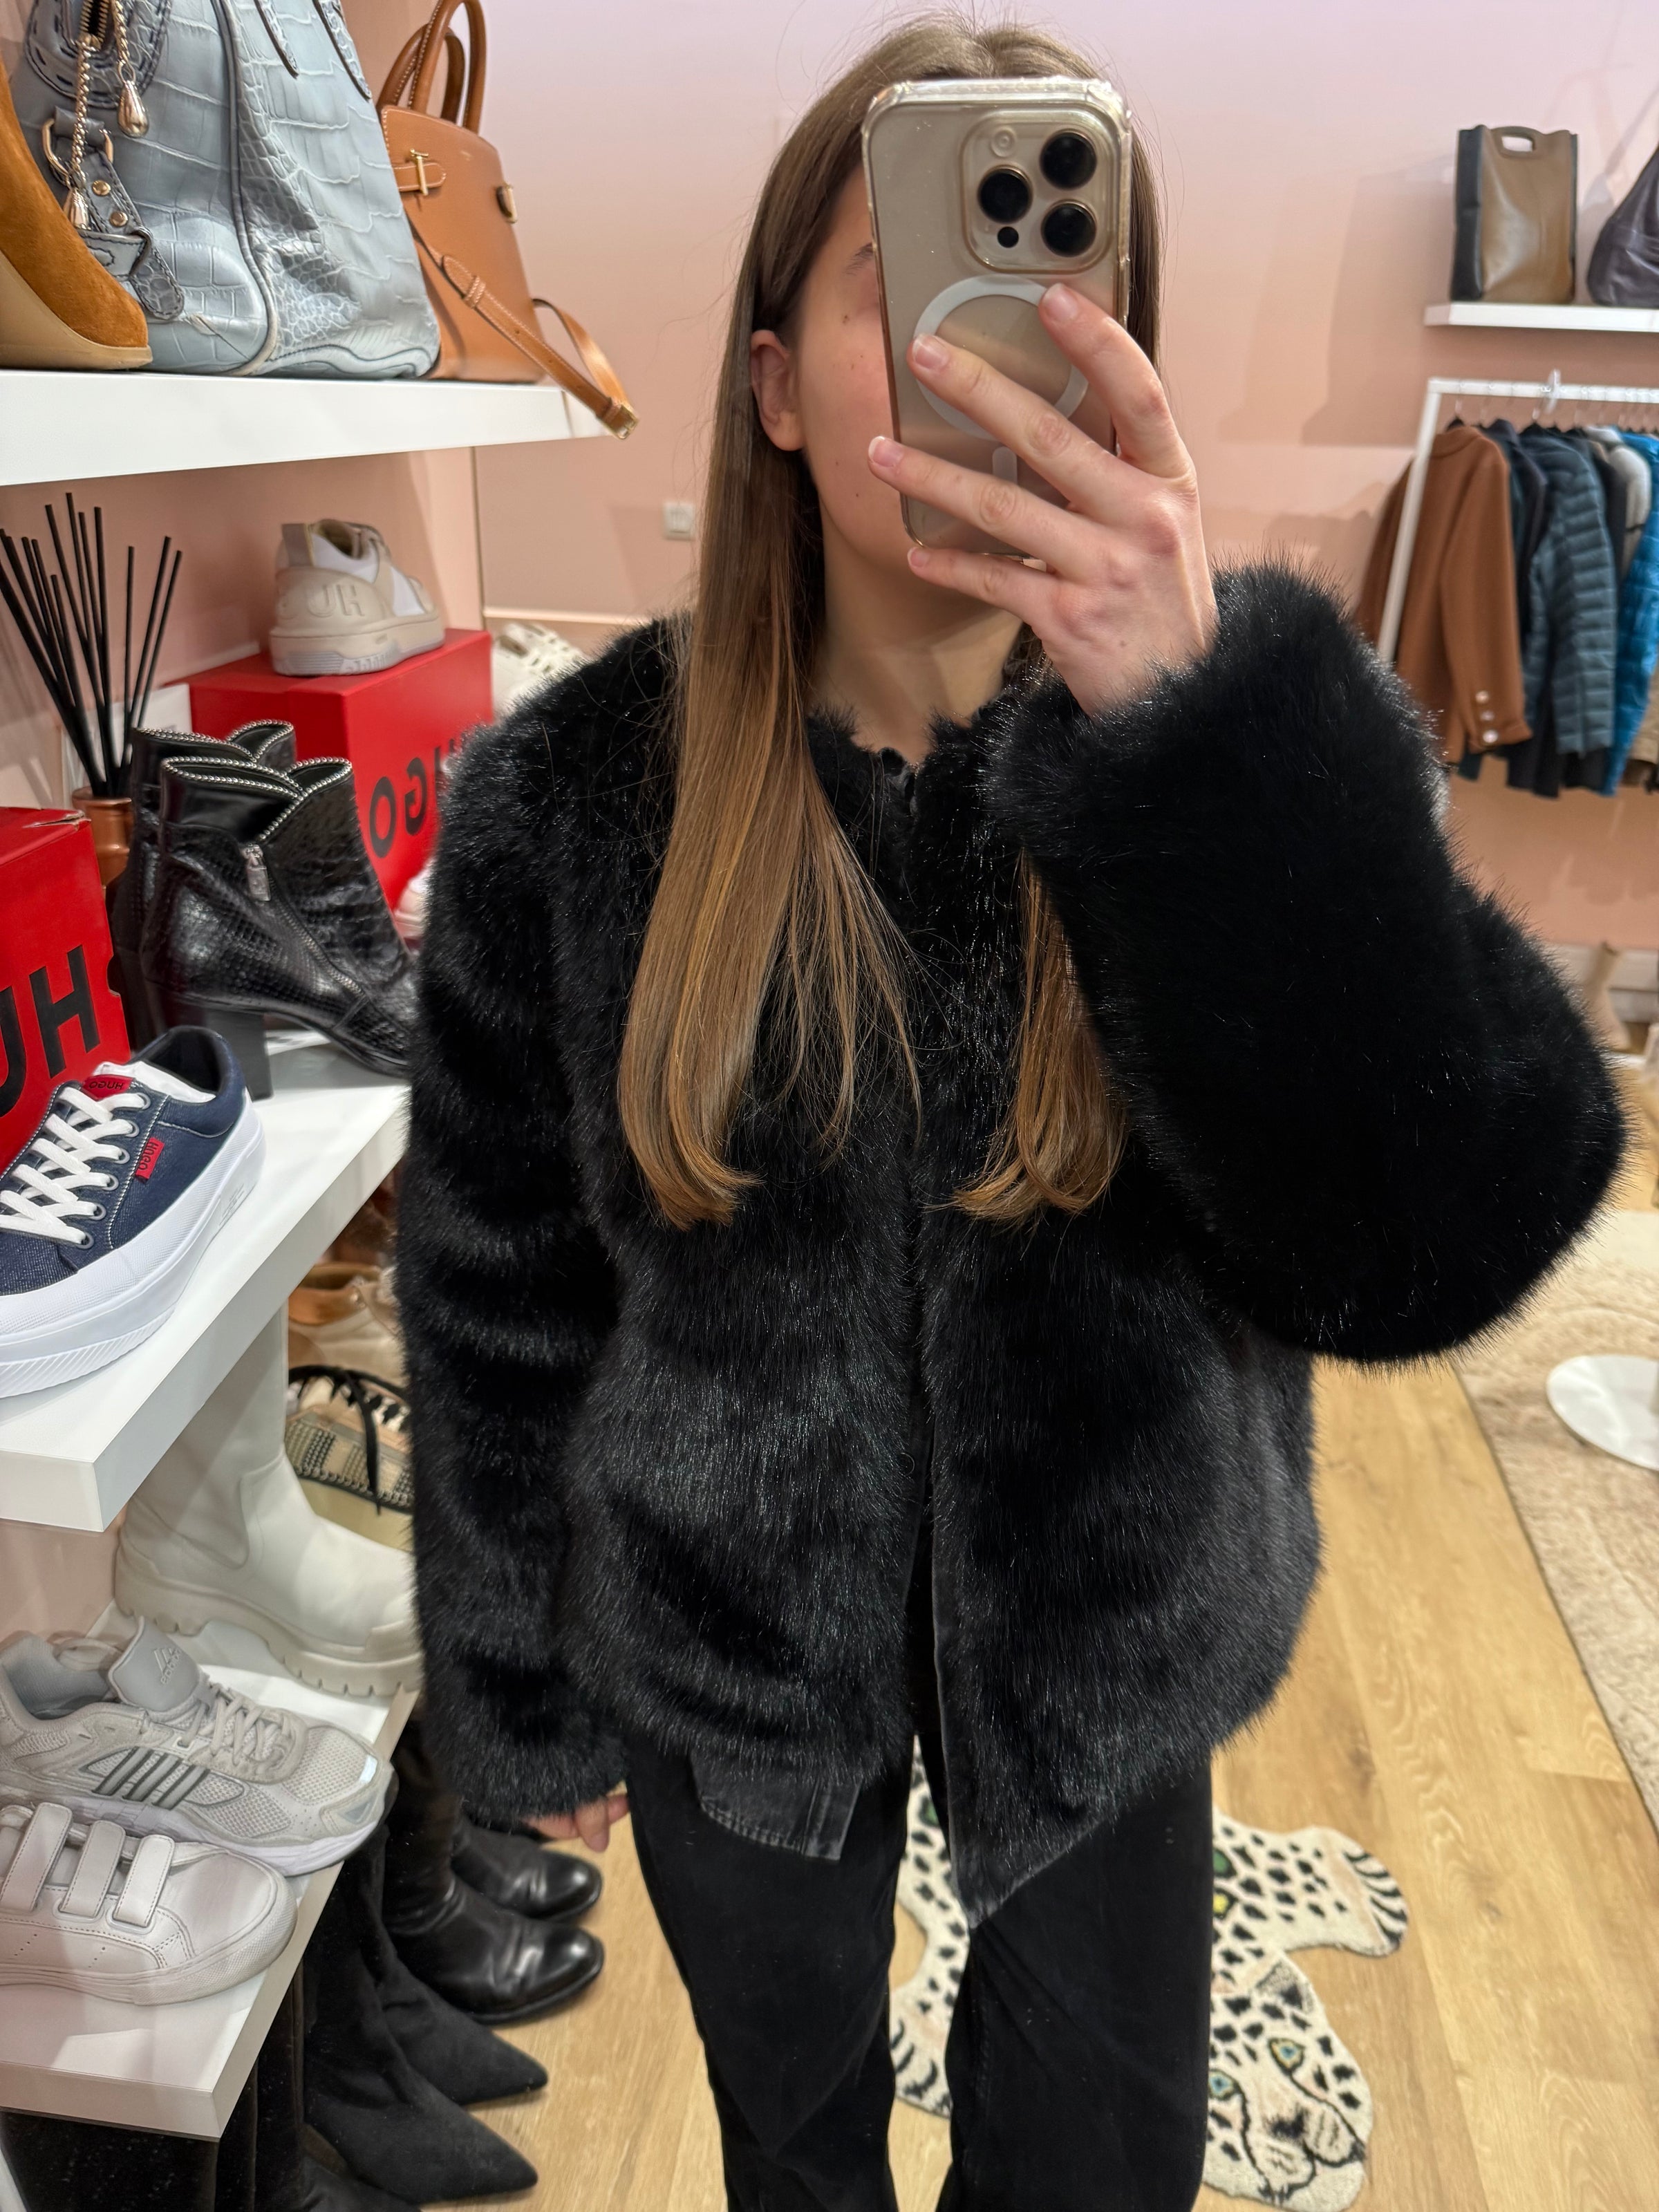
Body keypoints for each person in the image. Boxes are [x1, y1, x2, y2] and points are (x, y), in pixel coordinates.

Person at [397, 18, 1622, 2212]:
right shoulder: (569, 803)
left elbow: (1432, 1238)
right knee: (791, 2144)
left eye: (1051, 290)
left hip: (1107, 1633)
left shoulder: (1241, 747)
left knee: (1097, 2164)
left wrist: (1207, 756)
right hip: (722, 1641)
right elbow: (498, 1284)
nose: (983, 357)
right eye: (908, 290)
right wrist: (520, 1685)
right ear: (775, 387)